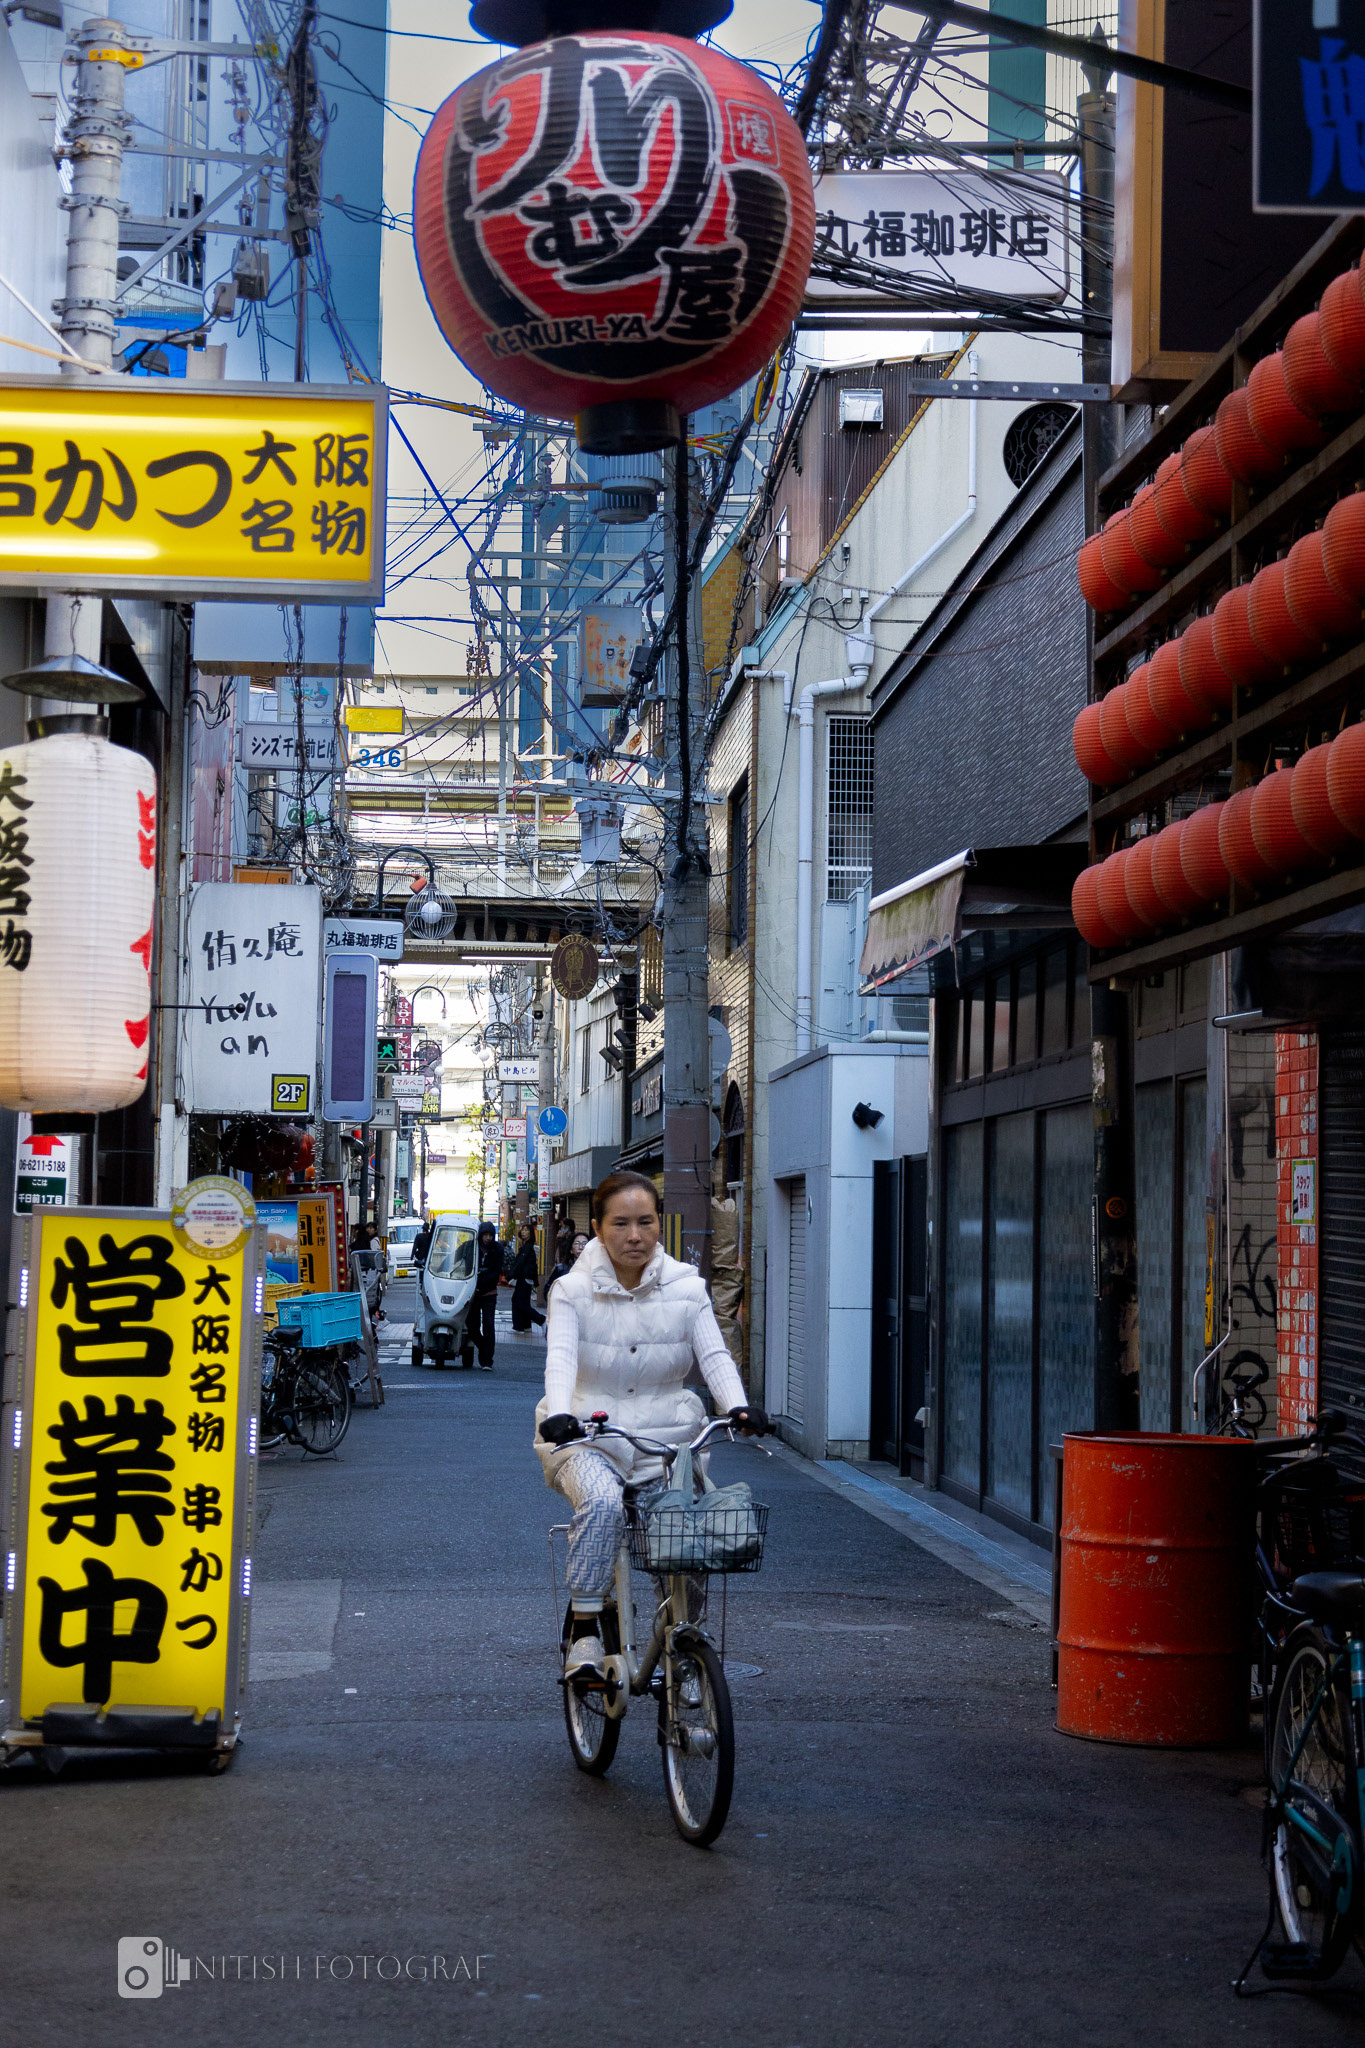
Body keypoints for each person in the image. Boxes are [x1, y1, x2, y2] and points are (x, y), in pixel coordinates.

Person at [535, 1170, 767, 1681]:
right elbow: (561, 1358)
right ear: (597, 1227)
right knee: (600, 1503)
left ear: (660, 1224)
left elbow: (714, 1353)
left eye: (645, 1222)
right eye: (620, 1224)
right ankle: (585, 1628)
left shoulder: (687, 1286)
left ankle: (685, 1644)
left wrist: (737, 1407)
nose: (634, 1235)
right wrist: (557, 1413)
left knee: (689, 1533)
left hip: (667, 1439)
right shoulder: (571, 1291)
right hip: (587, 1436)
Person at [469, 1218, 504, 1370]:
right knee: (472, 1326)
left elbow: (496, 1272)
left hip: (490, 1293)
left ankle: (487, 1361)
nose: (488, 1238)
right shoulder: (471, 1247)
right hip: (473, 1293)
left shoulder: (498, 1249)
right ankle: (485, 1350)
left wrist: (480, 1278)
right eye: (485, 1235)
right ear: (480, 1235)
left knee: (488, 1325)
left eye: (491, 1235)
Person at [509, 1220, 545, 1332]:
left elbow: (520, 1263)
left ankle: (541, 1320)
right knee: (522, 1302)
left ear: (531, 1233)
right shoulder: (526, 1246)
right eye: (523, 1230)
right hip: (526, 1278)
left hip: (524, 1278)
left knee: (518, 1302)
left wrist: (510, 1275)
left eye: (526, 1230)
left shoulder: (528, 1247)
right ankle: (526, 1326)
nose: (523, 1232)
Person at [541, 1229, 588, 1306]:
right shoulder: (561, 1269)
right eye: (577, 1243)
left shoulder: (595, 1270)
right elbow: (548, 1291)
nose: (581, 1247)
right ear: (571, 1250)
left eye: (585, 1244)